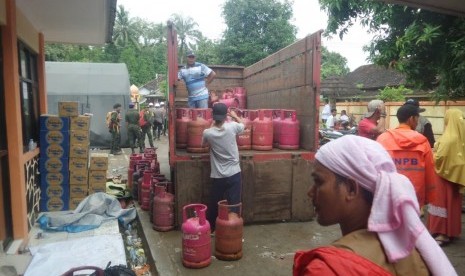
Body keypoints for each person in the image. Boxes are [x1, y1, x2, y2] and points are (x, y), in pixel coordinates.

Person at [293, 135, 456, 276]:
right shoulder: (419, 252)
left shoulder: (326, 269)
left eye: (318, 182)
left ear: (350, 189)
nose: (310, 192)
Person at [376, 103, 436, 209]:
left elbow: (375, 169)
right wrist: (428, 197)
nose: (418, 122)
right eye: (417, 118)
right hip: (414, 196)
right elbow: (430, 171)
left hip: (389, 194)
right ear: (411, 119)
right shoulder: (422, 141)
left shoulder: (382, 139)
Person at [202, 103, 244, 232]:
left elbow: (203, 146)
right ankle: (232, 229)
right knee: (234, 203)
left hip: (218, 176)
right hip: (234, 173)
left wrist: (212, 124)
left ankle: (212, 229)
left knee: (215, 203)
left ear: (213, 116)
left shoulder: (208, 133)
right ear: (226, 116)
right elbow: (243, 125)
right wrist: (235, 116)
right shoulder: (232, 127)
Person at [428, 108, 465, 246]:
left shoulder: (448, 138)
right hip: (456, 177)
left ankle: (442, 233)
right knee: (453, 204)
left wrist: (431, 154)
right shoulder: (461, 137)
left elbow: (439, 158)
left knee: (441, 202)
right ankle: (451, 231)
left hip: (443, 176)